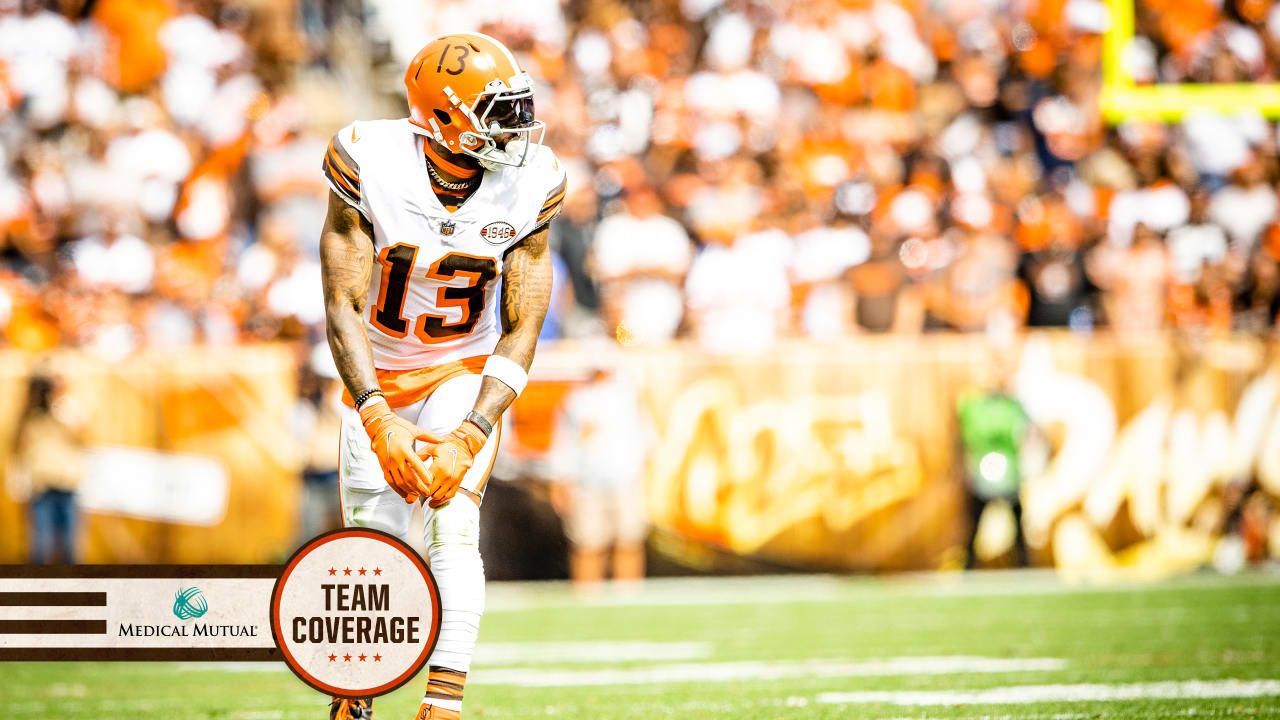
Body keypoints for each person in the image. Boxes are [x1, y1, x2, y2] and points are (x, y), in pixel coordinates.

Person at [318, 33, 562, 720]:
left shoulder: (535, 180)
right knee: (376, 543)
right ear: (442, 119)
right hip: (378, 368)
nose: (517, 130)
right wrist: (374, 414)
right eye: (497, 112)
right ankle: (357, 691)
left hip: (462, 366)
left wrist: (471, 431)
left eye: (518, 109)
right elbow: (340, 302)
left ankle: (443, 704)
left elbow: (523, 325)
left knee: (453, 524)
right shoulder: (370, 158)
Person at [550, 357, 650, 590]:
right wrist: (561, 480)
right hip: (588, 483)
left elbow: (645, 439)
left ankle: (629, 595)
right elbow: (565, 444)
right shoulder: (576, 398)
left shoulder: (630, 394)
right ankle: (587, 596)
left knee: (629, 541)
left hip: (625, 479)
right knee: (588, 543)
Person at [14, 372, 87, 564]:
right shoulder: (31, 416)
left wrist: (59, 409)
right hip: (42, 487)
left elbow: (84, 436)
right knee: (41, 544)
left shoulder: (71, 409)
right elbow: (20, 446)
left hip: (68, 485)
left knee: (71, 546)